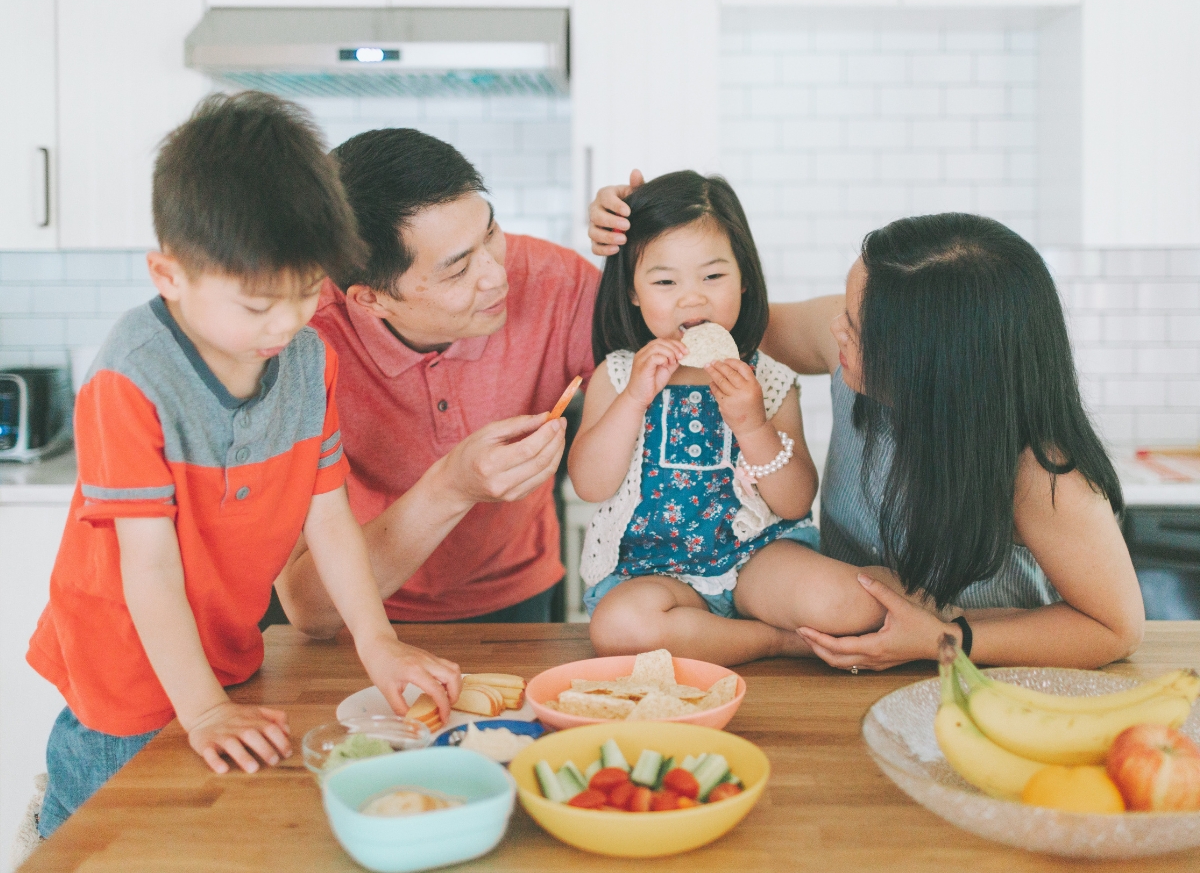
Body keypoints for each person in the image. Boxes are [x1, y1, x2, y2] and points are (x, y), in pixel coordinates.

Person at [26, 93, 461, 838]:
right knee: (98, 842)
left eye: (304, 294)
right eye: (259, 304)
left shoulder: (305, 360)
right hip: (124, 681)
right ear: (169, 274)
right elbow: (150, 571)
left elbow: (329, 516)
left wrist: (376, 639)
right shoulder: (130, 380)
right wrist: (201, 711)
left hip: (227, 658)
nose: (287, 323)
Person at [590, 174, 1145, 670]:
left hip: (980, 681)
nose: (834, 331)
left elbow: (1115, 630)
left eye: (855, 327)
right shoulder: (847, 346)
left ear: (932, 366)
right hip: (839, 654)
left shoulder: (1042, 472)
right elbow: (703, 314)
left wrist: (944, 640)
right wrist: (627, 232)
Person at [571, 171, 918, 668]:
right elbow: (590, 484)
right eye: (665, 282)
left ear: (745, 278)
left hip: (758, 558)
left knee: (854, 601)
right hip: (657, 573)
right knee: (618, 627)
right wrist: (631, 401)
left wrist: (753, 424)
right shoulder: (619, 373)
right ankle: (778, 641)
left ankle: (734, 631)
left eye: (713, 277)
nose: (692, 299)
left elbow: (796, 499)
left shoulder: (770, 378)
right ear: (632, 292)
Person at [274, 129, 599, 634]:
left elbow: (675, 361)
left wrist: (649, 244)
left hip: (521, 591)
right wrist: (453, 486)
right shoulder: (301, 344)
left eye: (490, 233)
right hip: (362, 615)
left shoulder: (557, 281)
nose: (496, 275)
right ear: (370, 300)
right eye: (457, 271)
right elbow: (308, 610)